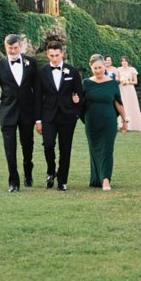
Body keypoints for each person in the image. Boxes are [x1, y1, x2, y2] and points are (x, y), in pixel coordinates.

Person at [0, 34, 38, 192]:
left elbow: (37, 91)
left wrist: (38, 117)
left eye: (16, 47)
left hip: (27, 112)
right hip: (7, 111)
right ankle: (13, 182)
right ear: (5, 47)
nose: (13, 50)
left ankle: (28, 171)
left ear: (21, 47)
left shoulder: (32, 63)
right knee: (9, 148)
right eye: (10, 48)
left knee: (28, 145)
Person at [35, 38, 84, 191]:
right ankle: (51, 171)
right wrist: (38, 120)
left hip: (67, 116)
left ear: (62, 54)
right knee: (48, 144)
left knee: (65, 148)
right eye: (51, 55)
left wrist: (77, 104)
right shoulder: (42, 72)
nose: (54, 58)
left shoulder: (72, 72)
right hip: (48, 116)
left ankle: (62, 180)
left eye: (57, 55)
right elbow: (37, 98)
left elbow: (81, 95)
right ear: (47, 55)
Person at [83, 53, 128, 191]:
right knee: (95, 150)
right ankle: (97, 178)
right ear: (91, 67)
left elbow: (119, 104)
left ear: (105, 66)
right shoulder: (86, 83)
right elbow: (80, 102)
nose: (98, 71)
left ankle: (106, 180)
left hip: (108, 122)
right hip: (91, 122)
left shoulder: (113, 83)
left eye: (100, 67)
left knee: (107, 150)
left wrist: (125, 121)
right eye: (95, 68)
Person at [116, 56, 141, 133]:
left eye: (125, 61)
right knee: (123, 106)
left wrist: (127, 82)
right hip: (122, 89)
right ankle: (122, 125)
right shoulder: (118, 69)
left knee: (131, 106)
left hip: (130, 90)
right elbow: (117, 78)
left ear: (128, 62)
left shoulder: (132, 70)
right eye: (122, 61)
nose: (124, 62)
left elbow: (135, 81)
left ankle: (132, 125)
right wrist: (121, 80)